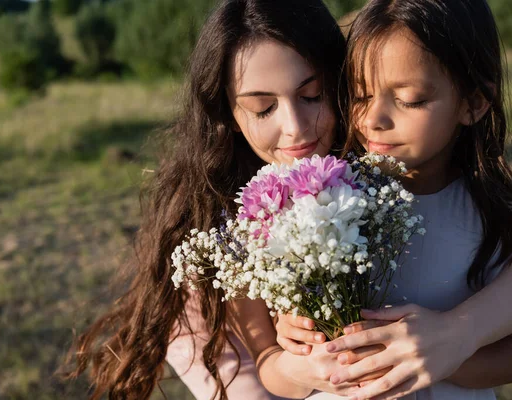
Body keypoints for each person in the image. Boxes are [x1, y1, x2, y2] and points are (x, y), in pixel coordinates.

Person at [272, 0, 512, 399]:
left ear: (474, 103)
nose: (374, 118)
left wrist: (442, 350)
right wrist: (296, 339)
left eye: (410, 99)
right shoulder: (326, 201)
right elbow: (277, 366)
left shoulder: (486, 213)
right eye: (359, 95)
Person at [64, 0, 354, 399]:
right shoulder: (214, 237)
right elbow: (258, 380)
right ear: (229, 116)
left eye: (313, 95)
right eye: (263, 108)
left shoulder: (375, 168)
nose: (295, 128)